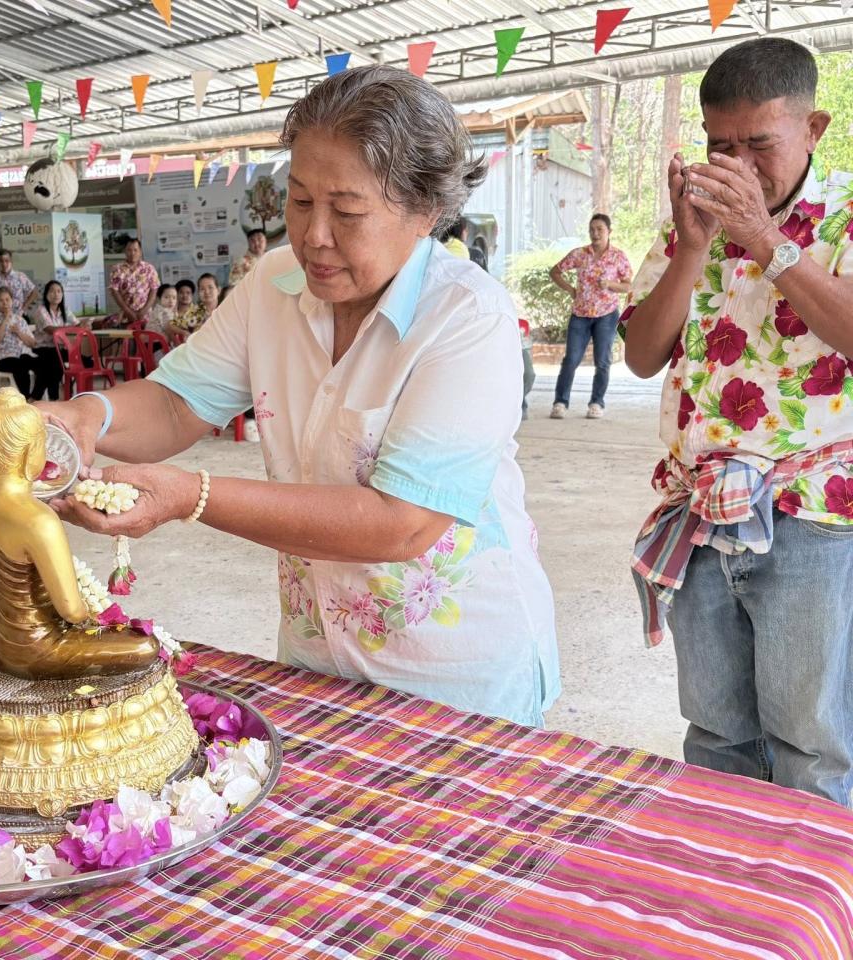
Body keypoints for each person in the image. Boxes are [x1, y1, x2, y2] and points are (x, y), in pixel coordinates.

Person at [41, 65, 558, 726]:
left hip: (456, 678)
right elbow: (177, 404)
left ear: (426, 212)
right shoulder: (275, 282)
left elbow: (401, 522)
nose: (314, 234)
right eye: (300, 199)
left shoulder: (466, 316)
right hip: (318, 660)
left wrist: (190, 495)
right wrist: (89, 414)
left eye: (347, 211)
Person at [624, 37, 853, 805]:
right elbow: (642, 355)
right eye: (721, 145)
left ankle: (815, 916)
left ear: (814, 128)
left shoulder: (847, 212)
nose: (739, 165)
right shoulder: (689, 221)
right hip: (702, 510)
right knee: (716, 736)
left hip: (815, 518)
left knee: (813, 745)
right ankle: (731, 907)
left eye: (760, 143)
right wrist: (692, 250)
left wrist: (768, 241)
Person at [549, 213, 632, 419]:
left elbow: (629, 285)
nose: (595, 233)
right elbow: (555, 271)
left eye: (600, 229)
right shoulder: (580, 254)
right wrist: (570, 289)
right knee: (571, 359)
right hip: (580, 314)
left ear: (609, 232)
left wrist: (611, 284)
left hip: (606, 315)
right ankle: (560, 402)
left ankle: (596, 402)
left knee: (602, 361)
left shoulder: (618, 257)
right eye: (592, 229)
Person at [0, 287, 40, 400]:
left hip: (24, 355)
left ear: (12, 301)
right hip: (4, 358)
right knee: (20, 366)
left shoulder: (20, 320)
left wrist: (19, 332)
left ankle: (34, 397)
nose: (5, 303)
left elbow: (33, 343)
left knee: (43, 364)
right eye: (1, 300)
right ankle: (25, 399)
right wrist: (5, 319)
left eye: (7, 299)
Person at [32, 280, 79, 400]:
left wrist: (85, 325)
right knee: (55, 363)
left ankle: (36, 396)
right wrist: (74, 328)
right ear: (46, 294)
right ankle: (54, 398)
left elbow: (77, 325)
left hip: (59, 348)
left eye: (59, 291)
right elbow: (51, 330)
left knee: (83, 359)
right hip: (42, 348)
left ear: (62, 294)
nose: (56, 294)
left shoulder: (65, 310)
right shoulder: (40, 310)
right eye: (52, 291)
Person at [106, 238, 159, 328]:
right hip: (125, 315)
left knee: (145, 341)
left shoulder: (149, 268)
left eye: (135, 250)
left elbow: (154, 290)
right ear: (125, 251)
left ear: (140, 252)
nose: (132, 253)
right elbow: (115, 292)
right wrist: (128, 311)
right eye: (129, 250)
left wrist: (144, 310)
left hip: (146, 316)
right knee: (128, 341)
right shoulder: (117, 269)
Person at [0, 249, 37, 316]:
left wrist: (24, 307)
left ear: (11, 261)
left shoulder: (20, 276)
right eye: (1, 261)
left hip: (17, 316)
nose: (4, 264)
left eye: (7, 261)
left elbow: (34, 292)